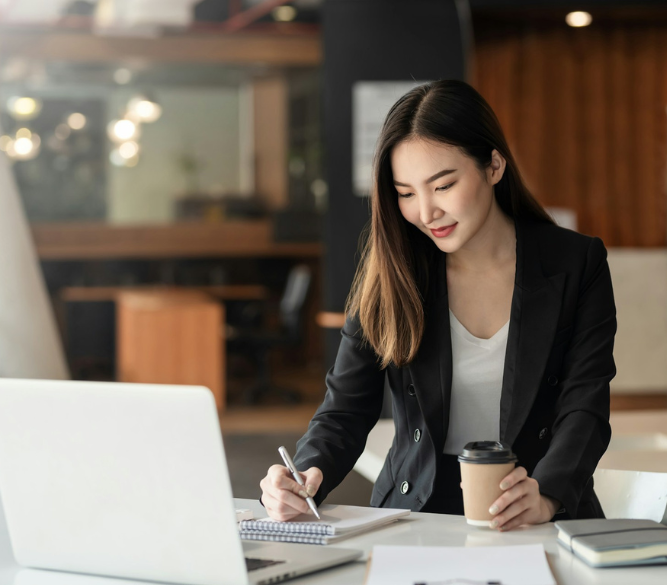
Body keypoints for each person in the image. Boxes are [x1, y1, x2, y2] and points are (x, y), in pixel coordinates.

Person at [260, 80, 616, 531]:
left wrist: (547, 492)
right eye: (406, 193)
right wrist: (302, 473)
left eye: (443, 185)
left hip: (537, 502)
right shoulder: (392, 271)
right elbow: (345, 409)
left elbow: (585, 403)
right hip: (417, 509)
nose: (426, 212)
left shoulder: (576, 263)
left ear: (493, 165)